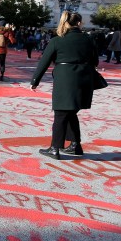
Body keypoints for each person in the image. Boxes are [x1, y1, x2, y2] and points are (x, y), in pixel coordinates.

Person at [30, 11, 98, 159]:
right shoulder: (88, 39)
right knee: (71, 112)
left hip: (65, 78)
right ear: (79, 23)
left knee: (61, 114)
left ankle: (55, 148)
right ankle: (75, 145)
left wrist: (35, 81)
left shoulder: (57, 40)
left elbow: (44, 61)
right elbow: (95, 61)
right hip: (84, 79)